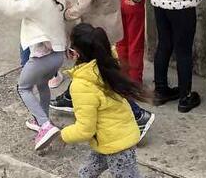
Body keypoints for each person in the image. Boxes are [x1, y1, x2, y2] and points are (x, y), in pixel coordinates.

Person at [54, 0, 155, 139]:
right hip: (112, 28)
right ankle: (70, 97)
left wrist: (66, 13)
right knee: (93, 68)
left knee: (106, 74)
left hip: (94, 31)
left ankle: (138, 115)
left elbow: (83, 5)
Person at [0, 0, 72, 150]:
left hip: (41, 57)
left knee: (23, 88)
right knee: (42, 85)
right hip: (57, 56)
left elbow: (10, 9)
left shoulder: (34, 1)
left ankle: (45, 125)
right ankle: (42, 118)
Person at [58, 23, 146, 178]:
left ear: (76, 54)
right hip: (108, 138)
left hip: (117, 144)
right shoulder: (106, 64)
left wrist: (63, 135)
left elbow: (85, 129)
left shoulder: (82, 85)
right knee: (87, 172)